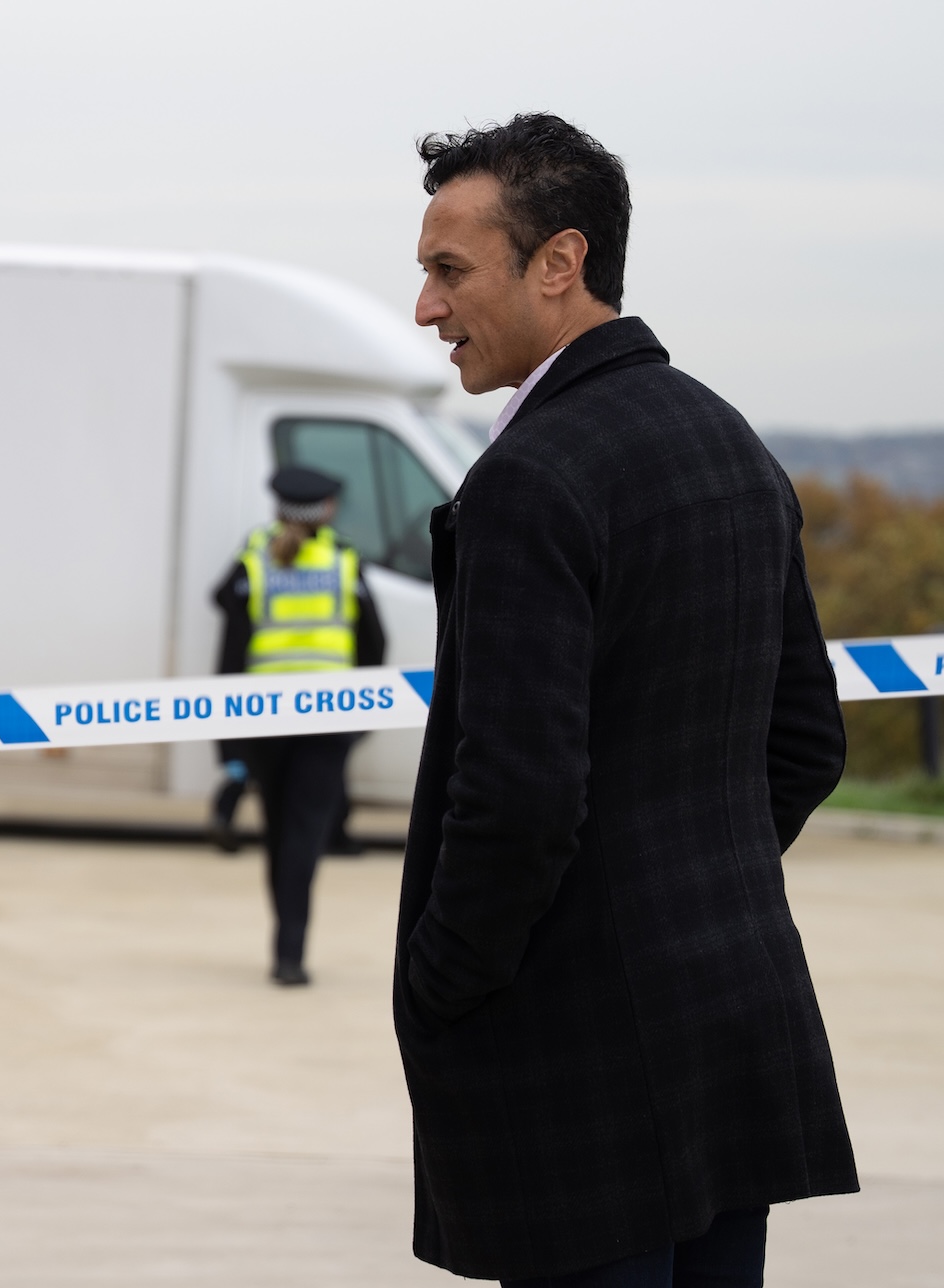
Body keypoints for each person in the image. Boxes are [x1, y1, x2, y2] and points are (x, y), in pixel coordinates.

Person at [397, 113, 855, 1286]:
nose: (427, 307)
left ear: (560, 262)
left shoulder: (530, 479)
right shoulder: (727, 441)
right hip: (728, 1023)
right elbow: (807, 742)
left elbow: (519, 800)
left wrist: (442, 981)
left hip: (577, 1061)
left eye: (451, 270)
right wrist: (684, 886)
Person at [213, 466, 385, 985]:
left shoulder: (253, 560)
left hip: (266, 719)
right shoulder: (343, 560)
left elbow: (231, 652)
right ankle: (291, 954)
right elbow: (374, 643)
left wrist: (230, 745)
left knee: (279, 831)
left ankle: (285, 947)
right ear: (325, 510)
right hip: (329, 720)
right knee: (305, 836)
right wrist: (362, 716)